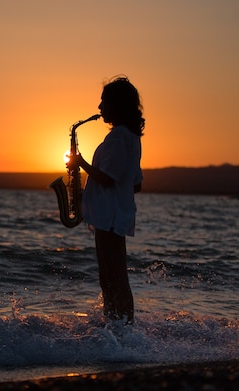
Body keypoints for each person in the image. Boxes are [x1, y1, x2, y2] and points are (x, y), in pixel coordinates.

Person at [67, 76, 144, 325]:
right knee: (112, 276)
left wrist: (81, 164)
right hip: (114, 215)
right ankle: (117, 326)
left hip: (109, 217)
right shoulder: (130, 137)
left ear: (117, 104)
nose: (99, 108)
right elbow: (136, 184)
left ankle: (120, 328)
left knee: (113, 277)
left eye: (103, 102)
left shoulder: (119, 137)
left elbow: (109, 178)